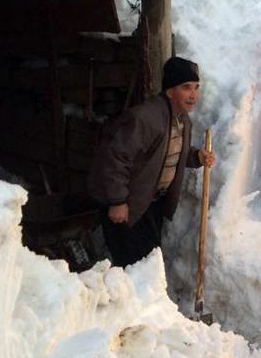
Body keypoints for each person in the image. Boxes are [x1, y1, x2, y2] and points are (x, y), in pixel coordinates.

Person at [89, 56, 215, 268]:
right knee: (138, 268)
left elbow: (164, 153)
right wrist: (117, 201)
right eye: (186, 87)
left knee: (144, 266)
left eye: (196, 87)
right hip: (128, 203)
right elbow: (115, 157)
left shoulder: (181, 119)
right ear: (170, 91)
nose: (194, 95)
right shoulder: (146, 118)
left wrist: (196, 157)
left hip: (149, 203)